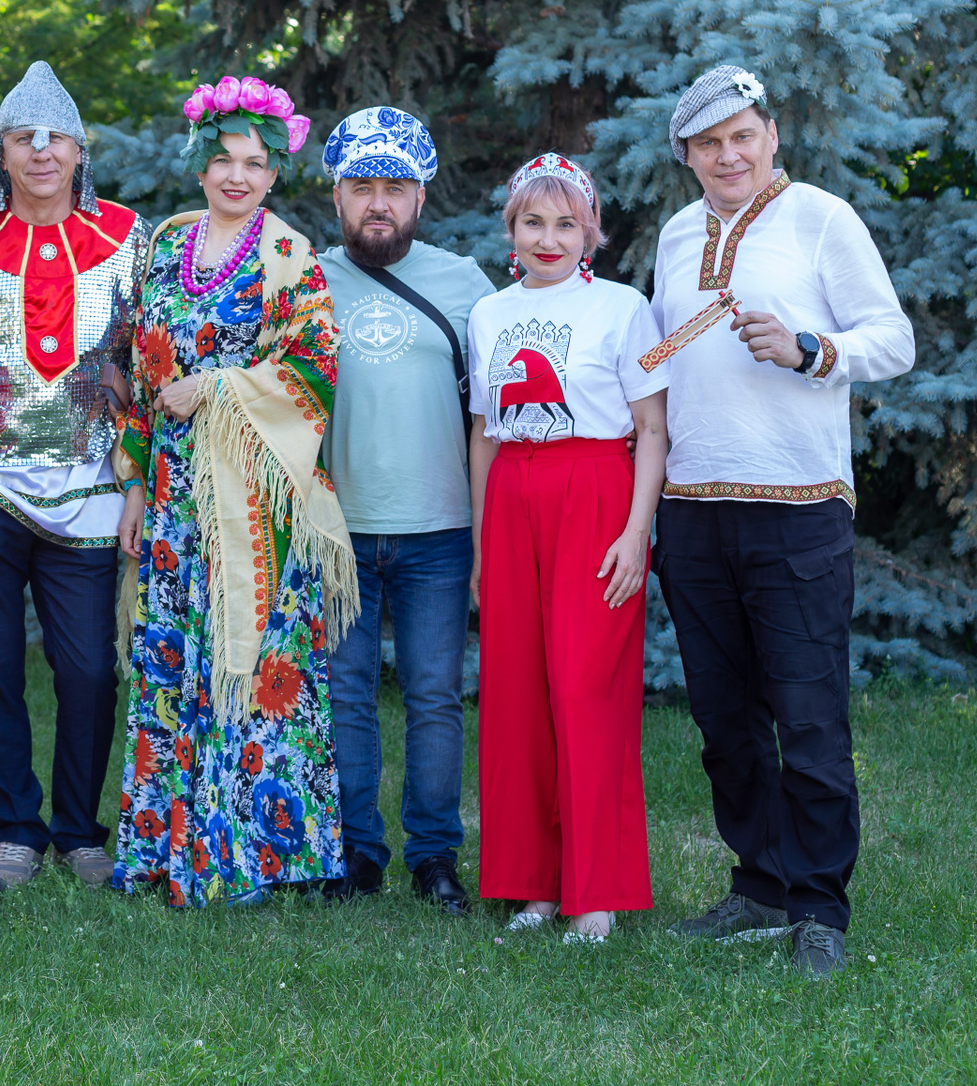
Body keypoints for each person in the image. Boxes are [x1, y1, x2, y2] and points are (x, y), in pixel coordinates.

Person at [653, 66, 915, 977]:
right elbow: (661, 365)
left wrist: (811, 349)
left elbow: (894, 338)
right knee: (724, 722)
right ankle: (760, 883)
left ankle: (819, 908)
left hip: (798, 507)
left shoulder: (822, 219)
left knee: (807, 718)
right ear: (688, 155)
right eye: (709, 143)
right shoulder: (676, 235)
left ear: (771, 137)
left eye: (743, 136)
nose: (728, 155)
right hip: (692, 509)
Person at [112, 76, 357, 907]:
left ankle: (250, 856)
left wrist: (216, 385)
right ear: (200, 164)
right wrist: (135, 484)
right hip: (174, 499)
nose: (237, 176)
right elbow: (143, 375)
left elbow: (314, 371)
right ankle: (164, 846)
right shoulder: (167, 249)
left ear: (275, 173)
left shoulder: (287, 257)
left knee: (248, 668)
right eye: (223, 160)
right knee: (172, 662)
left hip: (255, 504)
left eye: (254, 163)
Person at [0, 61, 149, 891]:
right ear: (3, 152)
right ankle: (17, 830)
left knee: (87, 668)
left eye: (58, 139)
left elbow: (150, 363)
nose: (43, 151)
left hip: (91, 488)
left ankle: (79, 831)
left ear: (80, 151)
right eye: (25, 138)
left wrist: (136, 477)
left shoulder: (129, 238)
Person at [466, 153, 669, 942]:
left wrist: (636, 531)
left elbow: (651, 428)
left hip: (593, 492)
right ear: (511, 230)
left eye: (565, 224)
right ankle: (534, 886)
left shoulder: (624, 308)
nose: (547, 239)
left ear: (590, 232)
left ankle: (596, 890)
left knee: (586, 689)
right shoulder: (490, 314)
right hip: (510, 497)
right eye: (532, 223)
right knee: (516, 691)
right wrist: (481, 544)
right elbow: (484, 433)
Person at [316, 107, 493, 912]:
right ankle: (356, 854)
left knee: (433, 697)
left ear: (421, 196)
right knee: (345, 695)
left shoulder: (466, 284)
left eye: (395, 186)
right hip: (337, 529)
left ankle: (433, 857)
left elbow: (496, 413)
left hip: (440, 528)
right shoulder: (305, 278)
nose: (378, 203)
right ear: (337, 195)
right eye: (362, 186)